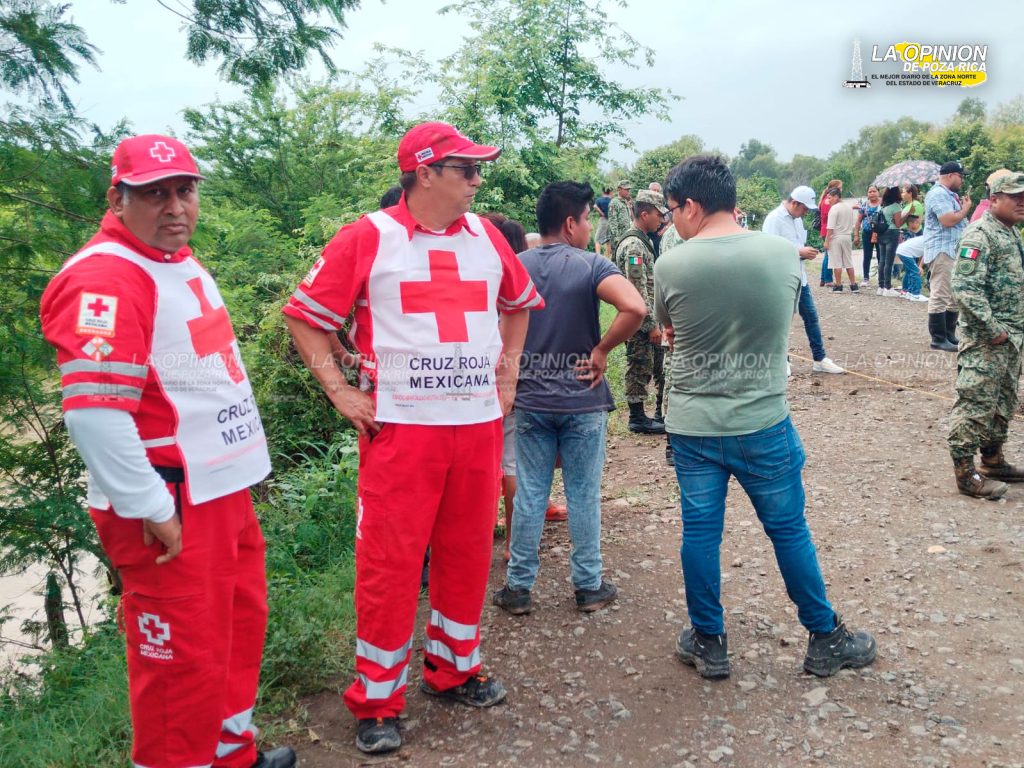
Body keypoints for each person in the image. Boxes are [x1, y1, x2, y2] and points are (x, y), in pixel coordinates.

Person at [283, 121, 543, 755]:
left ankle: (453, 669)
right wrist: (342, 392)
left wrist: (507, 376)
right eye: (467, 170)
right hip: (402, 433)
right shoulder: (368, 238)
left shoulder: (485, 237)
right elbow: (306, 319)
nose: (478, 182)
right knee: (390, 566)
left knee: (468, 552)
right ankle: (376, 701)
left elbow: (517, 305)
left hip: (476, 426)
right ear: (425, 172)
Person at [39, 135, 294, 768]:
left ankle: (229, 752)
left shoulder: (168, 258)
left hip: (216, 488)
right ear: (117, 197)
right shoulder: (106, 276)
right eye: (154, 193)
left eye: (184, 190)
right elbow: (96, 412)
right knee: (178, 665)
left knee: (234, 628)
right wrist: (150, 506)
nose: (174, 206)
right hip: (170, 501)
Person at [654, 155, 876, 681]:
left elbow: (668, 329)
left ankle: (709, 642)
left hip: (693, 426)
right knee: (789, 531)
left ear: (691, 205)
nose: (672, 221)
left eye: (673, 210)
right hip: (763, 424)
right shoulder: (783, 256)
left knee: (700, 535)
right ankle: (825, 637)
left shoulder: (673, 264)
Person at [492, 181, 645, 615]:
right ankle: (588, 585)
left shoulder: (514, 265)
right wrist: (601, 352)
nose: (591, 229)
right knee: (583, 493)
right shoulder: (592, 265)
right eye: (587, 219)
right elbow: (634, 307)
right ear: (570, 222)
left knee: (530, 495)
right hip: (581, 400)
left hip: (530, 401)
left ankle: (518, 588)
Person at [479, 211, 567, 563]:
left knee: (481, 464)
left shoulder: (475, 273)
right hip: (515, 380)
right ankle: (515, 545)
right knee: (513, 462)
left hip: (472, 380)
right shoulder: (521, 275)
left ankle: (473, 542)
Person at [947, 172, 1024, 500]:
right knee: (975, 402)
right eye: (1014, 197)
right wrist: (993, 331)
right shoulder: (979, 234)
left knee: (1002, 402)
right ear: (994, 200)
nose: (1021, 202)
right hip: (986, 339)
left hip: (1010, 338)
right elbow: (965, 288)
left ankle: (993, 461)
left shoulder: (1010, 232)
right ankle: (966, 475)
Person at [762, 186, 845, 374]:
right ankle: (781, 360)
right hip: (780, 278)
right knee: (782, 320)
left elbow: (795, 244)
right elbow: (767, 249)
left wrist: (803, 251)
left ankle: (820, 359)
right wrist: (798, 252)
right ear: (794, 203)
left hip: (800, 277)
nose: (806, 212)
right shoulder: (774, 219)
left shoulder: (797, 220)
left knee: (811, 317)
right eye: (805, 208)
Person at [615, 188, 669, 434]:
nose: (662, 219)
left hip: (644, 317)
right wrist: (650, 325)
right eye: (659, 214)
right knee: (639, 364)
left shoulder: (641, 240)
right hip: (639, 319)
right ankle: (637, 417)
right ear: (645, 214)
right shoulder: (635, 245)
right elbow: (637, 288)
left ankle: (652, 413)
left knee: (652, 364)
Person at [924, 161, 973, 351]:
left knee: (953, 294)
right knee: (940, 293)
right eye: (961, 176)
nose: (962, 180)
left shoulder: (949, 195)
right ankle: (938, 338)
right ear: (951, 175)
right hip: (942, 249)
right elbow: (948, 220)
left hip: (953, 250)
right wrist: (965, 209)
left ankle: (949, 335)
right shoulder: (937, 194)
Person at [824, 187, 859, 292]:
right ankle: (853, 285)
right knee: (849, 261)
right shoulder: (848, 207)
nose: (829, 200)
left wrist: (826, 241)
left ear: (836, 197)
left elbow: (830, 227)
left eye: (830, 198)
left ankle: (838, 285)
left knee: (837, 262)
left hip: (836, 237)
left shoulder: (834, 209)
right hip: (847, 236)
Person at [875, 186, 903, 297]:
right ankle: (888, 287)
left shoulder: (881, 206)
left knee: (882, 260)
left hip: (881, 234)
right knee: (889, 261)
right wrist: (906, 215)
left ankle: (881, 287)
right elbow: (898, 224)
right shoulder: (896, 207)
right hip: (892, 233)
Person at [854, 185, 881, 286]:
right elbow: (858, 221)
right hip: (867, 233)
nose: (872, 193)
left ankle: (881, 278)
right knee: (867, 256)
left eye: (874, 191)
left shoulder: (883, 204)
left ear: (878, 192)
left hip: (880, 233)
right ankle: (865, 278)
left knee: (880, 256)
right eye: (870, 192)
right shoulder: (865, 205)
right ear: (867, 194)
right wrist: (856, 235)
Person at [817, 179, 842, 285]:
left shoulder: (825, 200)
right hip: (828, 230)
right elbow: (830, 217)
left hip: (825, 229)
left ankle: (824, 278)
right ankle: (828, 279)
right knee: (830, 255)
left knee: (828, 254)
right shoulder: (828, 202)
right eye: (840, 188)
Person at [894, 234, 929, 301]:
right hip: (905, 252)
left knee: (909, 271)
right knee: (916, 272)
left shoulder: (926, 238)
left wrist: (919, 265)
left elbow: (923, 254)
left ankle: (906, 292)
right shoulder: (931, 240)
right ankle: (916, 295)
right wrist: (920, 267)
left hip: (902, 250)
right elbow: (926, 254)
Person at [607, 180, 634, 254]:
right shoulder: (614, 203)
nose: (628, 192)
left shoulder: (625, 202)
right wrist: (617, 238)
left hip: (626, 236)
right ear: (619, 189)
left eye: (629, 190)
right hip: (618, 238)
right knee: (617, 260)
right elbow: (613, 222)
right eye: (626, 190)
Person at [595, 186, 612, 257]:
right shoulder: (611, 200)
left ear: (603, 192)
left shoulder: (599, 200)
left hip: (603, 220)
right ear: (609, 192)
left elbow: (595, 206)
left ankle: (597, 256)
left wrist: (601, 213)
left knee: (597, 239)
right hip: (610, 220)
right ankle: (608, 256)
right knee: (608, 239)